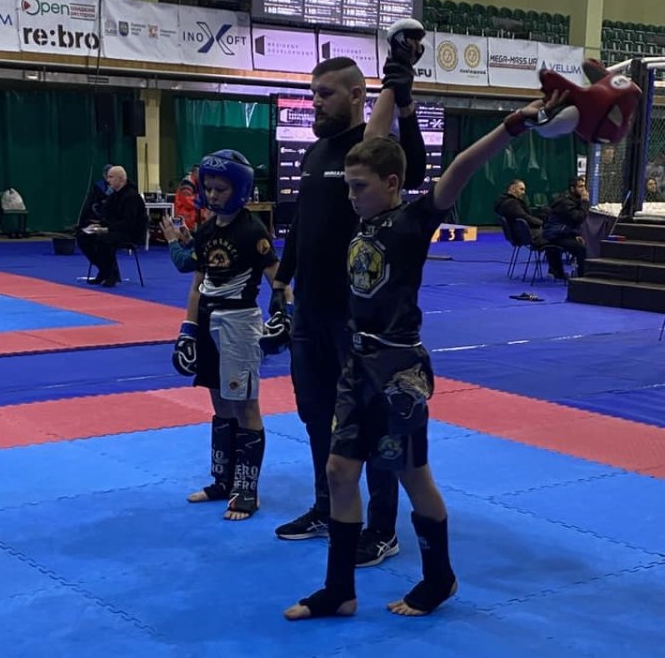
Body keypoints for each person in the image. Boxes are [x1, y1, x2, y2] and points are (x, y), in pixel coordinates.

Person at [283, 85, 568, 621]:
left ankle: (439, 578)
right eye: (348, 187)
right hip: (357, 364)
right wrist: (392, 86)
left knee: (413, 475)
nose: (351, 196)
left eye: (360, 187)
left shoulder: (414, 221)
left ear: (392, 184)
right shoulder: (363, 216)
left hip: (398, 370)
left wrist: (514, 124)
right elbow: (372, 139)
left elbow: (461, 166)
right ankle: (339, 590)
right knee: (340, 470)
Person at [270, 31, 428, 567]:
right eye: (312, 94)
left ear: (357, 95)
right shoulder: (315, 153)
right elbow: (303, 223)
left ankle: (382, 528)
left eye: (325, 94)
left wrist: (399, 82)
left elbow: (409, 161)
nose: (315, 102)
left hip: (355, 318)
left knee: (371, 422)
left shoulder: (367, 148)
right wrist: (281, 281)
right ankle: (326, 507)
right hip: (309, 311)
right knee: (316, 415)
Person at [172, 150, 279, 520]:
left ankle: (247, 490)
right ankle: (223, 480)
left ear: (240, 189)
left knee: (245, 404)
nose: (214, 195)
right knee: (219, 402)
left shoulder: (253, 231)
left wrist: (284, 315)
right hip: (207, 320)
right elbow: (196, 286)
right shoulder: (205, 230)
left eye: (222, 188)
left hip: (239, 323)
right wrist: (188, 330)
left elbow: (277, 279)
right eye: (210, 188)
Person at [76, 166, 147, 286]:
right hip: (115, 230)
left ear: (121, 179)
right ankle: (103, 269)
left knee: (105, 239)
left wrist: (107, 229)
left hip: (130, 233)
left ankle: (111, 274)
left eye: (111, 177)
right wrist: (98, 225)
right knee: (83, 237)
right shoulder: (113, 196)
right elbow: (107, 216)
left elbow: (129, 223)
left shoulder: (132, 197)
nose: (108, 180)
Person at [543, 176, 589, 279]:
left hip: (561, 232)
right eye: (580, 187)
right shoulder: (565, 202)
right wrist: (585, 203)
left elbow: (569, 223)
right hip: (555, 235)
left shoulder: (570, 199)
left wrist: (575, 235)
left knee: (580, 244)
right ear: (572, 189)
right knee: (581, 249)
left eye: (584, 186)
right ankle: (582, 279)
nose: (584, 190)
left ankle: (558, 271)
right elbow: (578, 218)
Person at [494, 179, 547, 244]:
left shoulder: (504, 202)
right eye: (521, 189)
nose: (523, 192)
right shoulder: (512, 204)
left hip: (519, 234)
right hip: (524, 235)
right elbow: (525, 217)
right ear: (512, 189)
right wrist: (542, 223)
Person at [77, 164, 113, 230]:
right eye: (107, 174)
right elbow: (99, 200)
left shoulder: (117, 185)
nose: (108, 178)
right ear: (104, 175)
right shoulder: (99, 185)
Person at [174, 164, 203, 232]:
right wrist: (203, 201)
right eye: (200, 174)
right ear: (195, 173)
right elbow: (188, 202)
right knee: (181, 237)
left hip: (187, 221)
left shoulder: (194, 184)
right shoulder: (187, 185)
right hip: (184, 222)